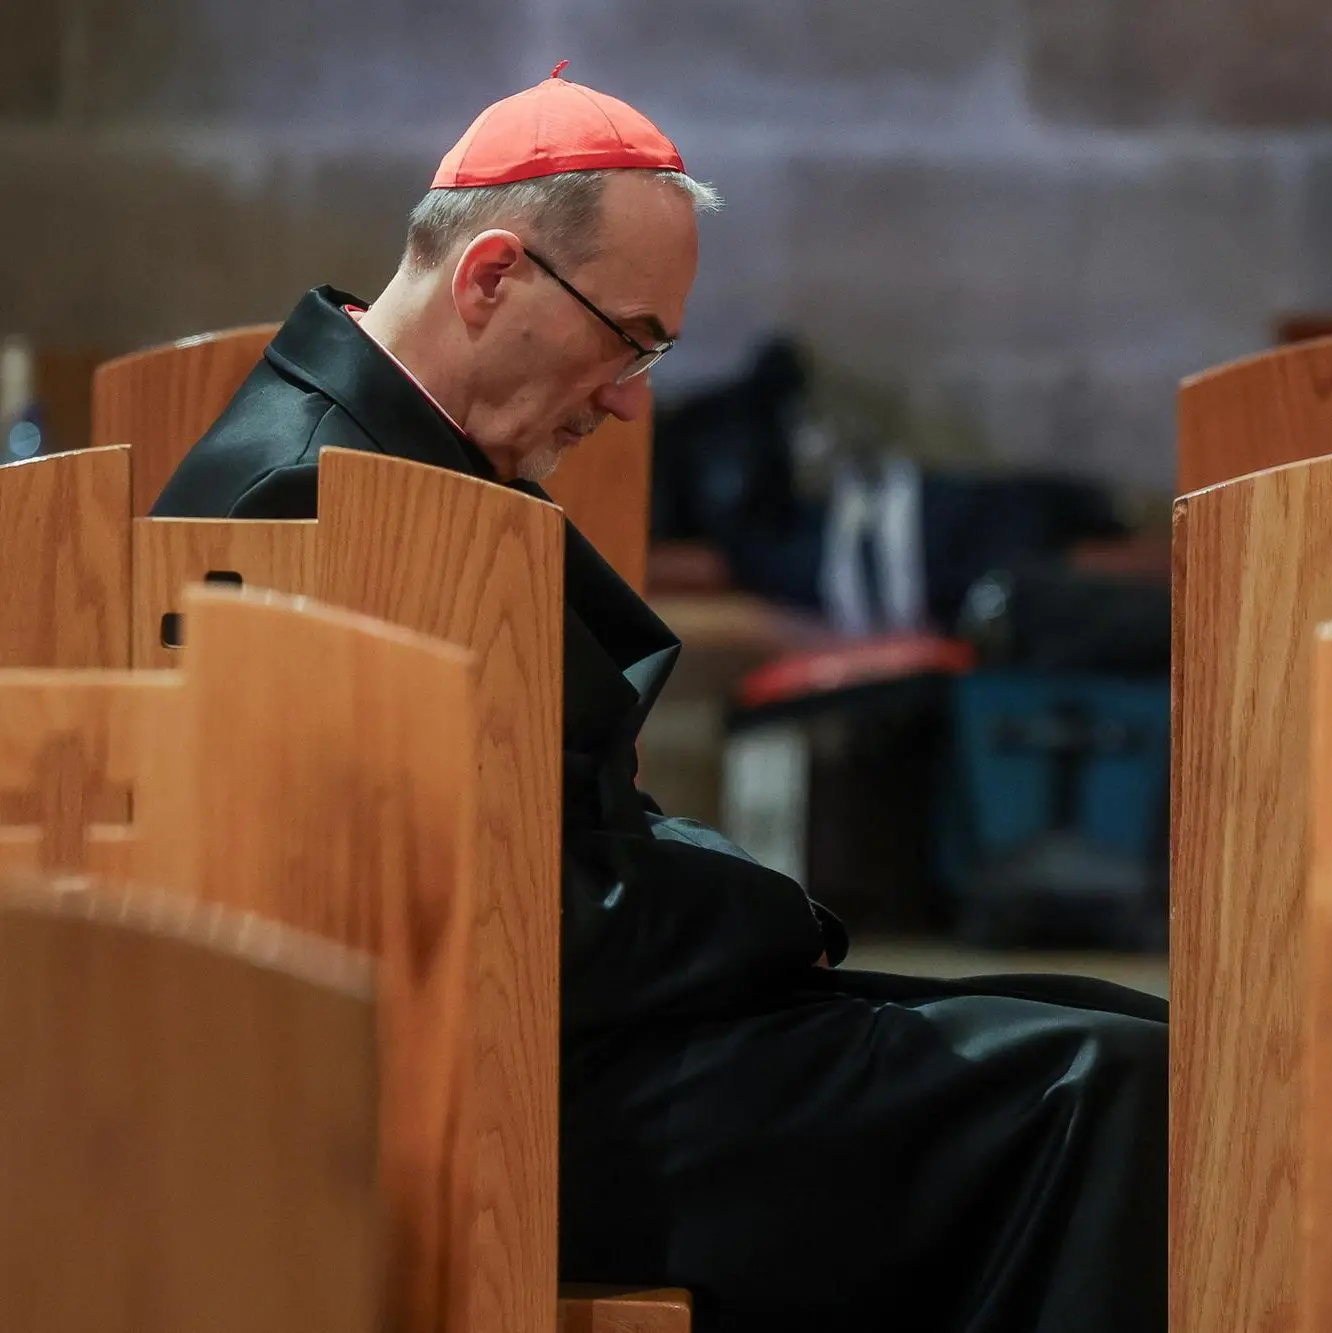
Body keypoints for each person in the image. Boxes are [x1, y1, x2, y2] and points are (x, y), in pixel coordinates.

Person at [153, 65, 1166, 1333]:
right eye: (628, 339)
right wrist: (761, 912)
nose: (632, 398)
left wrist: (734, 906)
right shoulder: (308, 498)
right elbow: (444, 903)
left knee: (1113, 1029)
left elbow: (546, 831)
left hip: (556, 1037)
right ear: (490, 276)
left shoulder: (396, 452)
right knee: (1104, 1090)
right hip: (464, 1104)